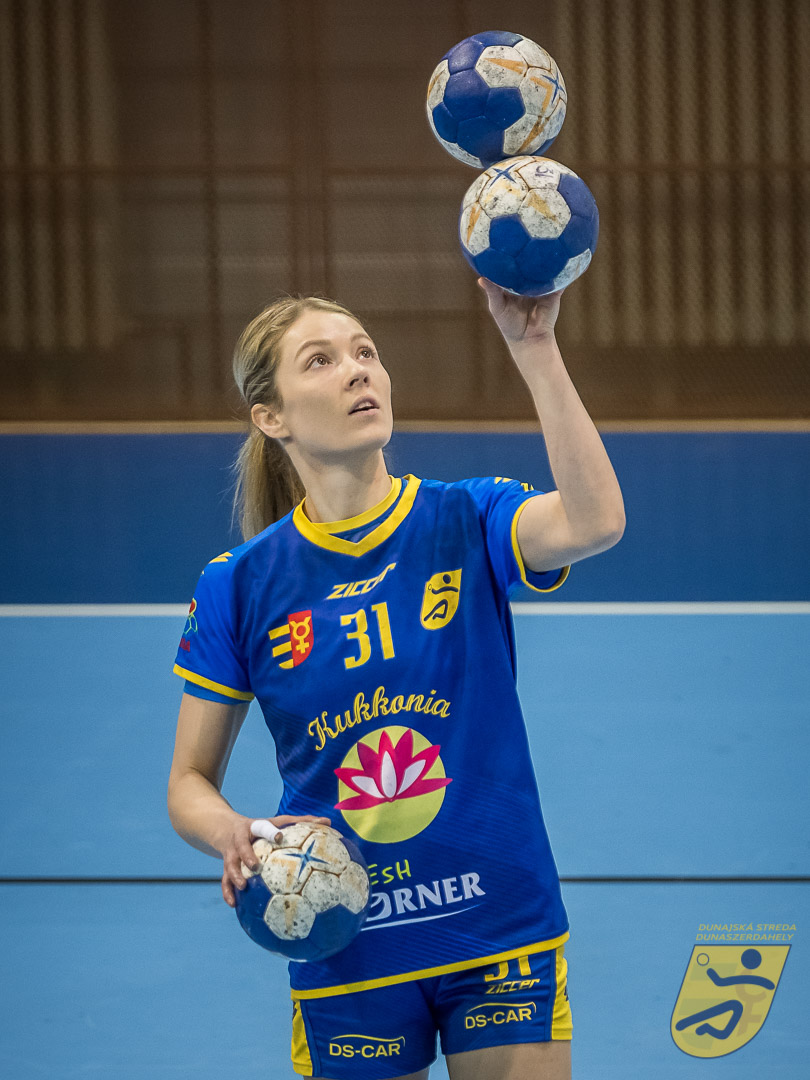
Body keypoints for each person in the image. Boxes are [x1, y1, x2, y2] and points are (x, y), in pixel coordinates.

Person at [167, 279, 625, 1080]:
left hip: (496, 922)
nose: (358, 370)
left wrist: (535, 349)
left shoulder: (465, 517)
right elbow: (188, 781)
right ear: (271, 417)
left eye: (365, 353)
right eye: (321, 361)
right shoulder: (238, 585)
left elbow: (596, 522)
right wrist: (229, 831)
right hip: (345, 937)